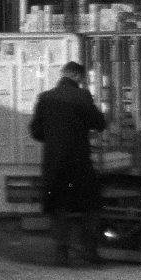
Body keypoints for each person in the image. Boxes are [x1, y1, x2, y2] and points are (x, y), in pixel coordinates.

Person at [29, 59, 107, 266]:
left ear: (63, 74)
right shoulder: (82, 96)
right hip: (79, 163)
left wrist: (54, 138)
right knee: (91, 205)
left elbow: (35, 131)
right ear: (78, 77)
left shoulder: (45, 98)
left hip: (54, 163)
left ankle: (62, 253)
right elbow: (100, 123)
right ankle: (89, 250)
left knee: (59, 207)